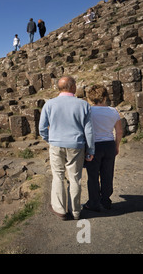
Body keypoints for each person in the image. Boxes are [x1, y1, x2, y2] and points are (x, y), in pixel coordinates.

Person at [39, 76, 95, 221]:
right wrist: (90, 150)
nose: (76, 86)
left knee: (58, 176)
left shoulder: (49, 104)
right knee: (75, 178)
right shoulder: (83, 105)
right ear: (71, 87)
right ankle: (76, 211)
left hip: (56, 144)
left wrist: (50, 139)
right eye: (75, 84)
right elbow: (88, 130)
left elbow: (42, 128)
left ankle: (60, 209)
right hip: (76, 145)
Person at [83, 85, 123, 212]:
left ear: (90, 98)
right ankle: (105, 200)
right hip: (109, 144)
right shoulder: (113, 111)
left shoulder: (88, 111)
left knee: (93, 175)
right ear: (105, 97)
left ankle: (93, 202)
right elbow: (119, 131)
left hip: (94, 146)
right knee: (107, 174)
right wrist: (116, 146)